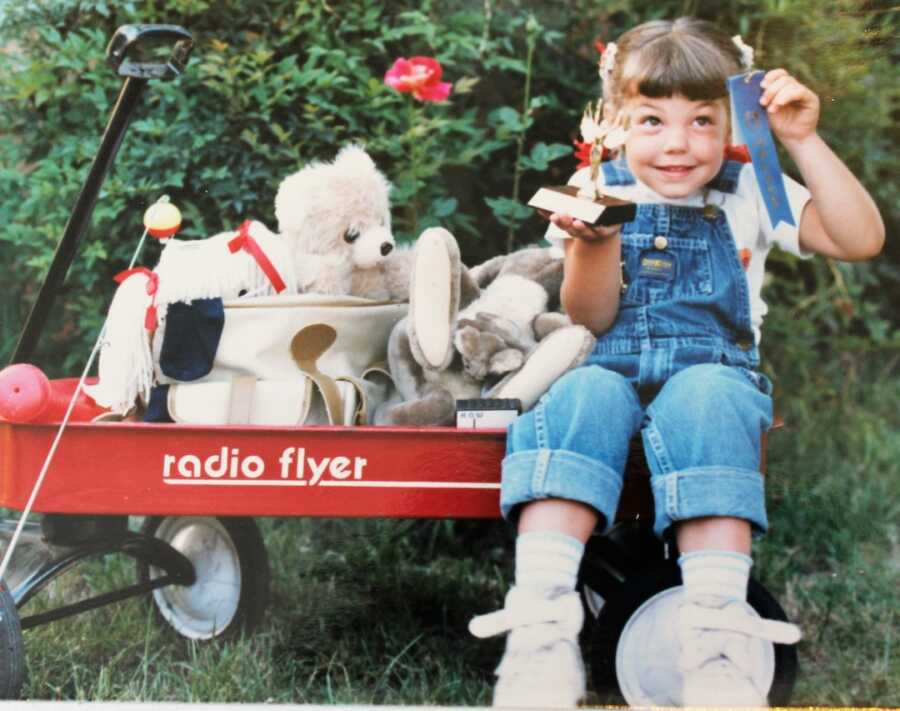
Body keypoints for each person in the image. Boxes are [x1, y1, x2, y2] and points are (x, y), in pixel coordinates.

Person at [468, 16, 885, 709]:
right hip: (610, 365)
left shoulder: (751, 189)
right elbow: (588, 318)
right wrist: (594, 242)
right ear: (613, 120)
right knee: (578, 397)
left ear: (731, 122)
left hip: (712, 371)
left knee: (709, 399)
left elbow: (861, 237)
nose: (676, 143)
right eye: (652, 119)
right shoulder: (595, 182)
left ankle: (716, 642)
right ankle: (540, 634)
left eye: (701, 120)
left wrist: (801, 140)